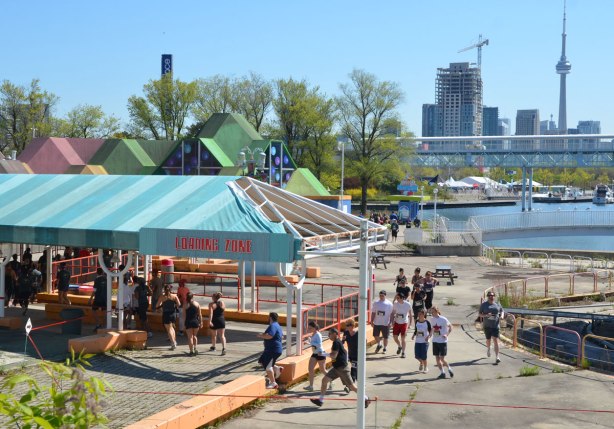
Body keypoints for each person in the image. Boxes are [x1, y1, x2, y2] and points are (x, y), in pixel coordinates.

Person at [310, 328, 370, 409]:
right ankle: (320, 400)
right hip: (336, 368)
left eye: (330, 334)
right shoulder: (337, 342)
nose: (329, 336)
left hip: (342, 369)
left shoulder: (336, 343)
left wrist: (323, 354)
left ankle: (366, 399)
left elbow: (333, 355)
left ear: (335, 334)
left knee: (352, 387)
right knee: (324, 380)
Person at [257, 312, 284, 389]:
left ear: (270, 318)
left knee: (268, 367)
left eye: (269, 317)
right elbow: (282, 337)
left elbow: (270, 336)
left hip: (272, 349)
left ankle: (273, 383)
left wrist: (261, 335)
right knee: (261, 361)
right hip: (271, 349)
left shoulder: (273, 326)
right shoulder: (278, 326)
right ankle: (277, 369)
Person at [479, 291, 504, 364]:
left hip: (495, 325)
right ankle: (489, 348)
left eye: (493, 296)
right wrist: (486, 315)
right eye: (490, 296)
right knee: (488, 340)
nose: (491, 297)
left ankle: (497, 357)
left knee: (495, 340)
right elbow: (480, 314)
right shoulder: (484, 305)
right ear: (488, 297)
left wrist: (502, 316)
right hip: (487, 325)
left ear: (494, 297)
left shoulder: (497, 304)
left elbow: (502, 310)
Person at [304, 321, 329, 391]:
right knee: (310, 369)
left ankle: (331, 380)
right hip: (315, 353)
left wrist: (310, 342)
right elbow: (314, 344)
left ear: (315, 328)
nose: (309, 329)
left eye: (310, 328)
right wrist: (309, 342)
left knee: (322, 370)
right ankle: (311, 386)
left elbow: (319, 345)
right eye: (308, 328)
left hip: (320, 353)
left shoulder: (318, 334)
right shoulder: (313, 334)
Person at [430, 306, 454, 379]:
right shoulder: (432, 319)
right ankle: (442, 372)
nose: (432, 313)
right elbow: (432, 328)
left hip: (442, 341)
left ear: (437, 311)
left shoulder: (443, 319)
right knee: (437, 359)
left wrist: (446, 334)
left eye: (433, 312)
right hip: (435, 341)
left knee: (442, 359)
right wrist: (429, 335)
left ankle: (449, 368)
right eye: (431, 312)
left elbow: (451, 327)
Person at [157, 284, 181, 350]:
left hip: (166, 314)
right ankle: (174, 341)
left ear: (164, 289)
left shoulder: (162, 297)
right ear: (171, 289)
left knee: (169, 329)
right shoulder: (174, 296)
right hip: (173, 313)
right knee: (172, 327)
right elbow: (179, 305)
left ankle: (173, 343)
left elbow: (157, 305)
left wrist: (161, 308)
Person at [392, 293, 412, 358]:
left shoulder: (407, 304)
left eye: (398, 298)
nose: (396, 299)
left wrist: (410, 324)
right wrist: (392, 321)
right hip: (397, 322)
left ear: (402, 298)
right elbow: (393, 313)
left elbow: (410, 314)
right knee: (395, 338)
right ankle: (399, 346)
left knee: (403, 339)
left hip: (404, 323)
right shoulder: (395, 304)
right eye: (396, 298)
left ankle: (403, 353)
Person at [411, 309, 432, 373]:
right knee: (417, 356)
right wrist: (413, 335)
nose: (419, 315)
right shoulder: (417, 321)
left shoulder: (427, 322)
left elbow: (431, 331)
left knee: (423, 356)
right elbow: (416, 330)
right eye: (418, 314)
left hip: (425, 342)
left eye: (420, 314)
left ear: (424, 315)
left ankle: (426, 368)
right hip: (418, 341)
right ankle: (421, 363)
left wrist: (428, 337)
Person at [342, 319, 359, 386]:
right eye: (346, 325)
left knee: (353, 367)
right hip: (351, 353)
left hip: (357, 354)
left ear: (353, 326)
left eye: (348, 325)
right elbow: (342, 342)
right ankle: (358, 379)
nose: (347, 327)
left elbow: (364, 341)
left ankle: (351, 383)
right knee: (355, 367)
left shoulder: (358, 333)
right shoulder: (346, 333)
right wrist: (343, 339)